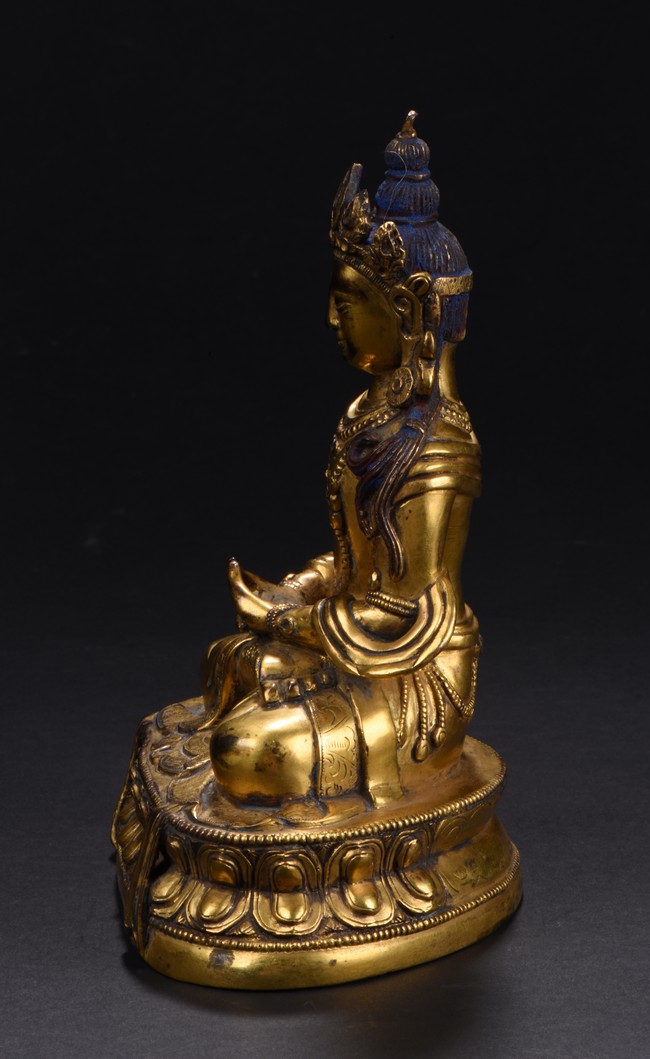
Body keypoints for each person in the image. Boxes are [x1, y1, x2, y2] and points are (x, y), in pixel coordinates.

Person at [162, 113, 482, 821]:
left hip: (412, 674)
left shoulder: (439, 450)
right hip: (354, 636)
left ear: (407, 313)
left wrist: (290, 620)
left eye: (348, 303)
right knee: (233, 660)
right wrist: (299, 587)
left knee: (247, 749)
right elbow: (357, 561)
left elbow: (405, 613)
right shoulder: (369, 414)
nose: (333, 320)